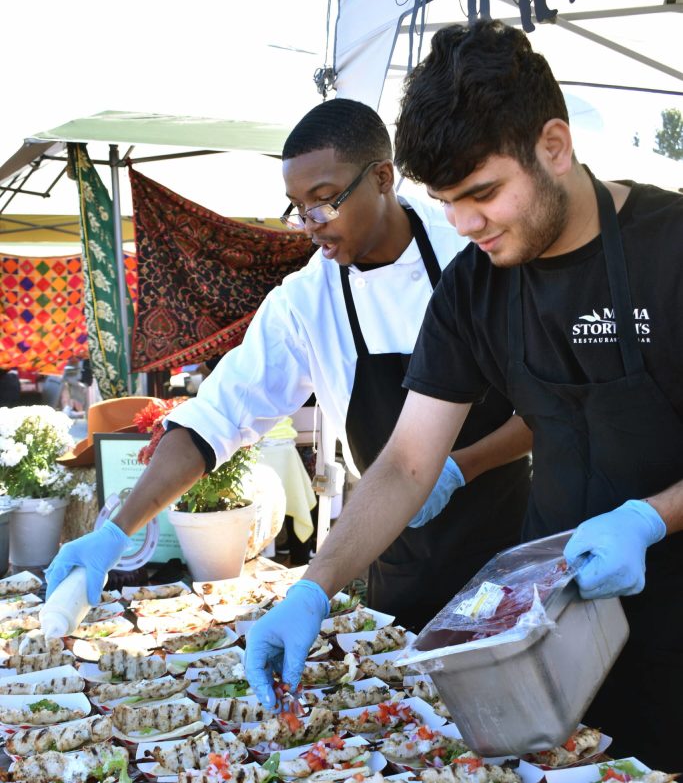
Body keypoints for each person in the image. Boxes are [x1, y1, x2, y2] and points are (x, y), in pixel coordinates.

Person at [244, 22, 683, 770]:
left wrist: (649, 518)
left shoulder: (668, 246)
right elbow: (407, 462)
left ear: (553, 146)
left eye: (482, 193)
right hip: (558, 633)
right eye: (446, 201)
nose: (464, 224)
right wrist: (314, 587)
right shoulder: (472, 285)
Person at [46, 98, 531, 650]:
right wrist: (114, 532)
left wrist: (455, 470)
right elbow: (218, 417)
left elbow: (549, 410)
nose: (309, 226)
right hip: (392, 553)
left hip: (507, 543)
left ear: (381, 178)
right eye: (298, 208)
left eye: (324, 204)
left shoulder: (473, 252)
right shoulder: (307, 298)